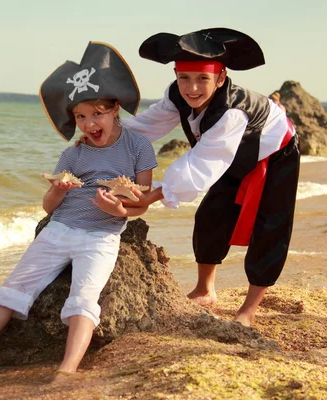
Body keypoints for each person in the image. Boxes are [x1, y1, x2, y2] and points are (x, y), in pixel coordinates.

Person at [0, 42, 157, 378]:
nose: (88, 124)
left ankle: (67, 371)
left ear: (115, 109)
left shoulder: (138, 146)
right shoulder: (73, 154)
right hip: (59, 230)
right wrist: (57, 188)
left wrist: (120, 208)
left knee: (84, 299)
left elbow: (140, 202)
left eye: (96, 114)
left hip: (101, 236)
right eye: (80, 117)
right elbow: (48, 206)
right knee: (10, 293)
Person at [119, 28, 300, 327]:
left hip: (275, 151)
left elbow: (200, 163)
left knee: (270, 227)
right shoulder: (176, 94)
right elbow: (146, 125)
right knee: (210, 215)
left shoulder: (232, 113)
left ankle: (248, 309)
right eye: (184, 78)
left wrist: (152, 195)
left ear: (220, 78)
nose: (192, 88)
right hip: (232, 152)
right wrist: (103, 133)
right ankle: (205, 290)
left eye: (202, 79)